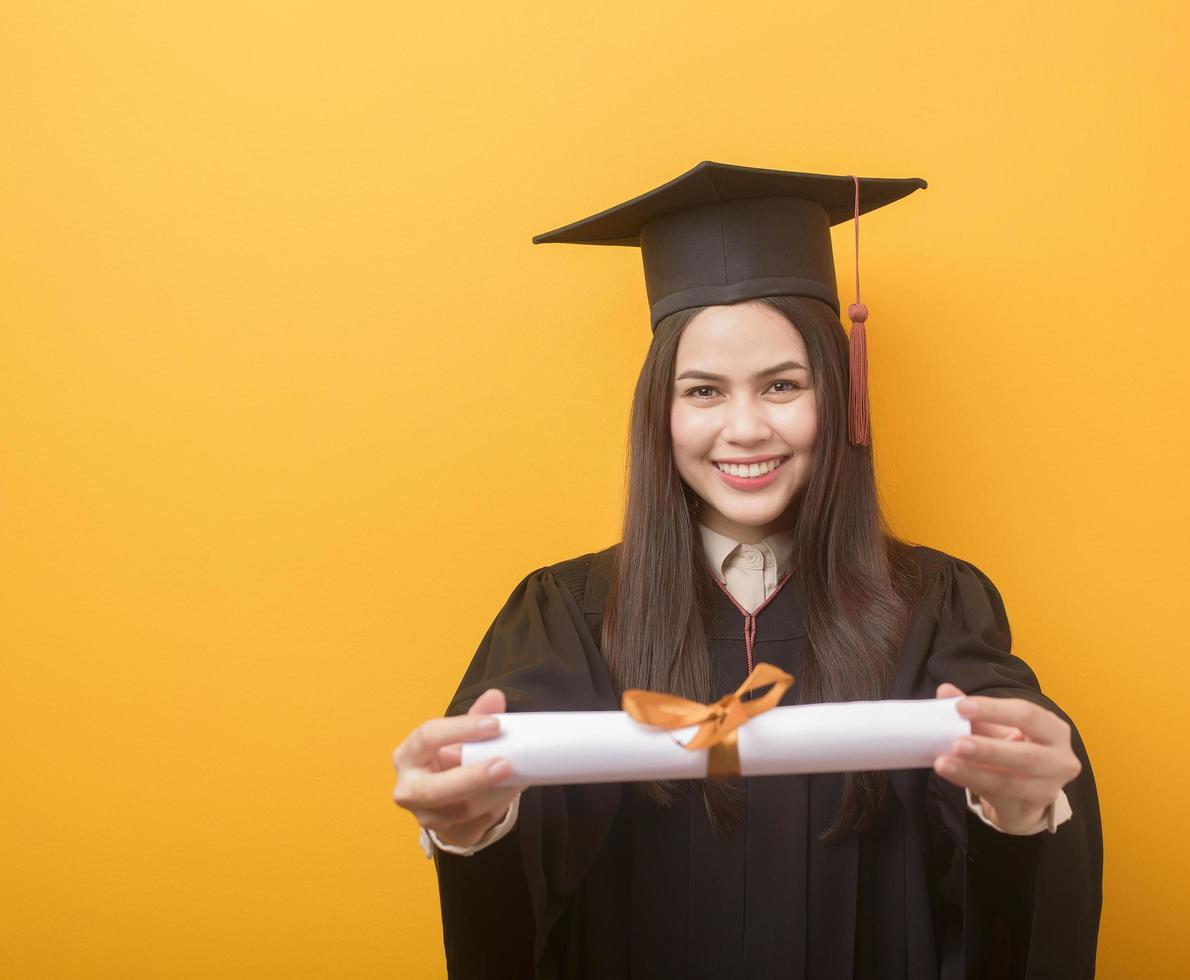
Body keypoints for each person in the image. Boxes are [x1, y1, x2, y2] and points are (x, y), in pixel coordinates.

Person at [391, 161, 1103, 978]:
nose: (744, 427)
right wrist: (467, 824)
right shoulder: (569, 614)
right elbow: (513, 874)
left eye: (781, 385)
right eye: (702, 391)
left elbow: (998, 859)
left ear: (838, 396)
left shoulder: (934, 606)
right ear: (659, 412)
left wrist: (1019, 807)